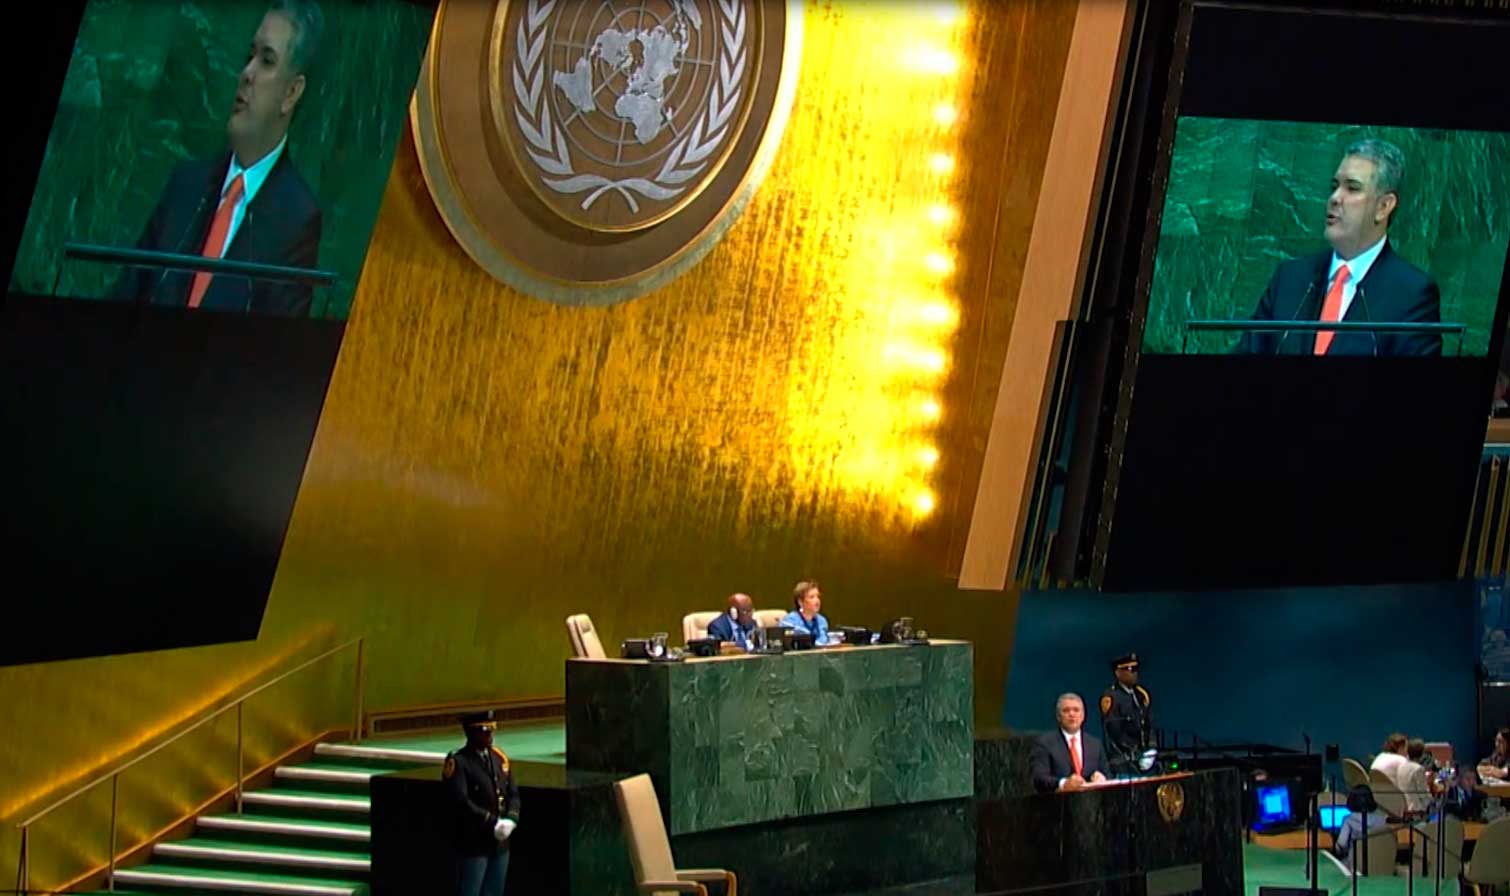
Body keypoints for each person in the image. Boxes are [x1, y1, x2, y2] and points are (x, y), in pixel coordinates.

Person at [114, 0, 324, 316]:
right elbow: (124, 295)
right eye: (249, 56)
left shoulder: (296, 218)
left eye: (266, 61)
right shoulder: (187, 184)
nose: (247, 73)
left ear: (291, 93)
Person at [1232, 138, 1441, 357]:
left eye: (1352, 188)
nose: (1334, 198)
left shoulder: (1411, 294)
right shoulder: (1290, 278)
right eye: (1334, 187)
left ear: (1383, 206)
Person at [444, 710, 520, 896]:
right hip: (474, 843)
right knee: (470, 890)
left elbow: (512, 793)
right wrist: (492, 822)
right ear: (470, 733)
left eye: (491, 730)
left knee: (495, 891)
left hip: (499, 843)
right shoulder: (459, 762)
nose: (489, 735)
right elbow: (460, 801)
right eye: (484, 731)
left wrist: (511, 819)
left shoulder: (498, 757)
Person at [1029, 693, 1110, 793]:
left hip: (1091, 800)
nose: (1071, 714)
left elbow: (1108, 775)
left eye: (1076, 710)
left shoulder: (1095, 745)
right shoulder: (1044, 743)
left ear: (1083, 716)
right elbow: (1038, 778)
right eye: (1066, 710)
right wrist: (1064, 783)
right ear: (1058, 717)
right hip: (1058, 801)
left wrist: (1102, 778)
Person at [1099, 652, 1152, 776]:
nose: (1134, 673)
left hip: (1144, 756)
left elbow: (1149, 724)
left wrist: (1151, 748)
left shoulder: (1141, 695)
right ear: (1118, 673)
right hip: (1123, 760)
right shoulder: (1111, 697)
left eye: (1136, 669)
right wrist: (1134, 753)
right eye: (1130, 669)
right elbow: (1114, 732)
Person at [1333, 784, 1391, 868]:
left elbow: (1341, 845)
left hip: (1355, 866)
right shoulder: (1382, 819)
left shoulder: (1348, 820)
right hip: (1380, 866)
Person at [779, 580, 830, 646]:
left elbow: (823, 641)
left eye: (818, 596)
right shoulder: (789, 621)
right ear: (800, 602)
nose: (817, 600)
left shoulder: (821, 620)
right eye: (812, 597)